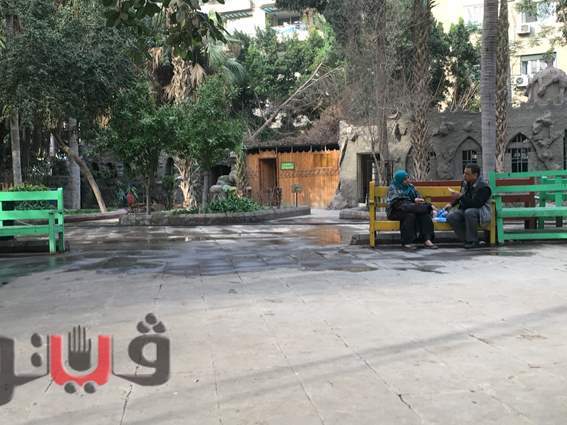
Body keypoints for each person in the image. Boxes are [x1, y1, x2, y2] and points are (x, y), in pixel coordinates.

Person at [386, 170, 438, 250]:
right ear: (399, 180)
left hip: (410, 207)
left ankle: (427, 240)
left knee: (424, 214)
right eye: (405, 179)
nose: (408, 180)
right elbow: (399, 204)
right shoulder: (393, 188)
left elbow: (418, 198)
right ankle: (407, 242)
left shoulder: (410, 187)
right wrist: (426, 206)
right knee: (410, 215)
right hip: (396, 211)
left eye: (408, 178)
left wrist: (417, 200)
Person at [446, 164, 492, 249]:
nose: (464, 175)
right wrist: (451, 204)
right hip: (466, 209)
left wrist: (460, 196)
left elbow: (477, 204)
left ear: (475, 175)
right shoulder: (465, 183)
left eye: (467, 174)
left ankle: (473, 241)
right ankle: (467, 240)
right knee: (451, 217)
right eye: (464, 173)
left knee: (470, 212)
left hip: (481, 212)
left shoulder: (484, 187)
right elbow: (462, 196)